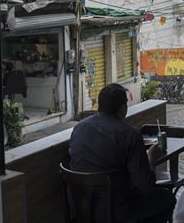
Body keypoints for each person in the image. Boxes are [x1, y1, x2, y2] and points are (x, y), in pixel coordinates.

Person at [69, 83, 175, 223]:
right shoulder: (129, 136)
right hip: (118, 212)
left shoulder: (79, 129)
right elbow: (145, 185)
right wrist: (151, 158)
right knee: (167, 199)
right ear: (123, 109)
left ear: (99, 106)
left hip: (82, 210)